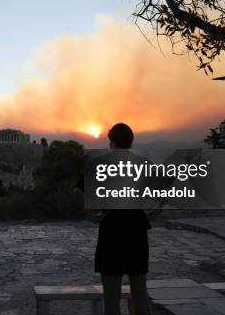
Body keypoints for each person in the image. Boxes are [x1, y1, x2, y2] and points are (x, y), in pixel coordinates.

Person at [74, 123, 151, 315]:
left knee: (112, 296)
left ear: (112, 142)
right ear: (131, 142)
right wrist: (151, 215)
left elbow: (77, 191)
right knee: (140, 292)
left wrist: (91, 215)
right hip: (138, 229)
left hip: (112, 229)